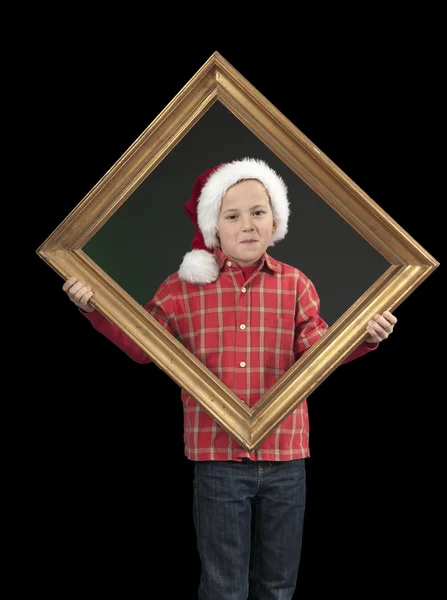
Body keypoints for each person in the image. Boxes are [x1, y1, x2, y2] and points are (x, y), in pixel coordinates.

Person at [62, 157, 397, 600]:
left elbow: (320, 353)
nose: (247, 224)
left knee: (278, 586)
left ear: (275, 219)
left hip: (286, 457)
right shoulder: (182, 288)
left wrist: (365, 339)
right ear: (214, 226)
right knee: (223, 586)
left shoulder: (296, 285)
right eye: (232, 215)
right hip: (217, 460)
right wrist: (93, 308)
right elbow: (142, 345)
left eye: (258, 212)